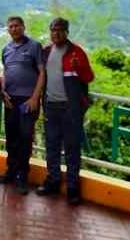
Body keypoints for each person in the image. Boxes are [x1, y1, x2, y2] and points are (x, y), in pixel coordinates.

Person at [36, 17, 94, 206]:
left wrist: (79, 67)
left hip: (71, 108)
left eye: (60, 30)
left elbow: (89, 77)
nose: (56, 33)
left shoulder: (76, 52)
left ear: (67, 32)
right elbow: (40, 78)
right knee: (51, 146)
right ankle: (52, 181)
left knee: (71, 149)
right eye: (53, 30)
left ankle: (72, 188)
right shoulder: (45, 52)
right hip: (51, 106)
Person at [0, 15, 45, 195]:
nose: (14, 29)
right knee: (12, 136)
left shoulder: (34, 46)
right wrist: (4, 92)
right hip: (10, 100)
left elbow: (42, 73)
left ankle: (22, 176)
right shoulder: (6, 49)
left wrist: (35, 98)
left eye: (17, 26)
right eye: (10, 27)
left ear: (23, 27)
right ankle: (11, 171)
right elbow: (6, 72)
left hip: (27, 101)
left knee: (25, 137)